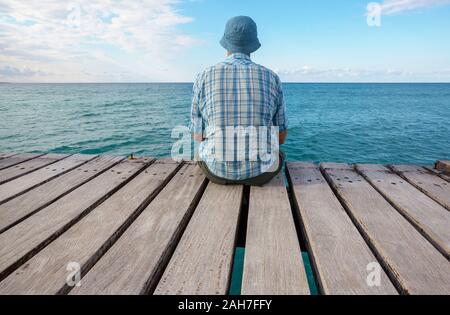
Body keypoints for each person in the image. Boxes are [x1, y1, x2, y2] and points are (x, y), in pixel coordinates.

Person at [190, 16, 288, 186]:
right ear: (253, 45)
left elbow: (197, 135)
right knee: (280, 154)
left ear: (225, 42)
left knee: (199, 154)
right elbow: (280, 138)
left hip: (216, 172)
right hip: (261, 173)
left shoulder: (203, 77)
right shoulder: (272, 77)